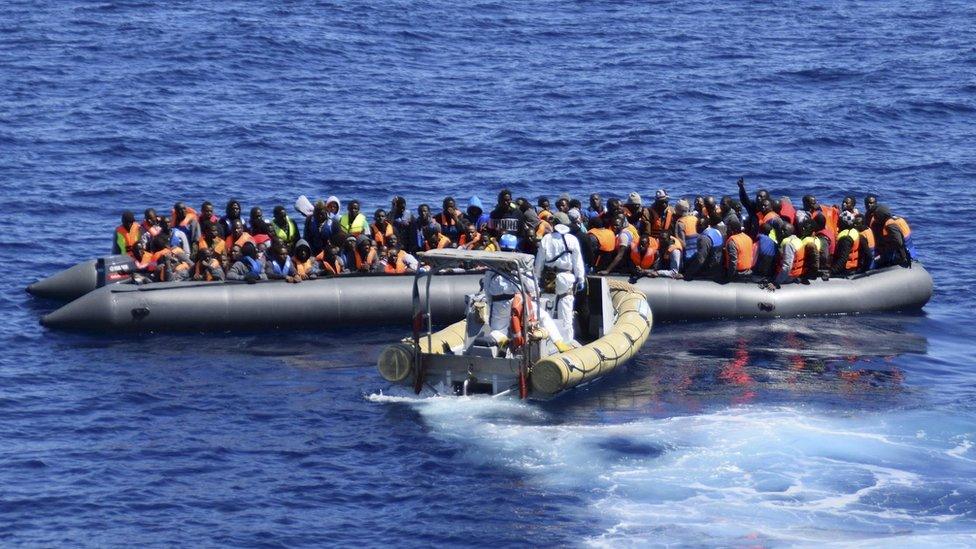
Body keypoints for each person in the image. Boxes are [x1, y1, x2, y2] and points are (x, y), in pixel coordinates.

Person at [533, 217, 585, 342]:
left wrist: (537, 277)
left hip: (549, 277)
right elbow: (578, 261)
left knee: (546, 310)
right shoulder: (572, 239)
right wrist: (581, 278)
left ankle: (545, 341)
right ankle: (567, 341)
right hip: (566, 277)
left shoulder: (546, 238)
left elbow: (539, 261)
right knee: (566, 310)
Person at [684, 214, 724, 280]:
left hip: (709, 270)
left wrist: (688, 273)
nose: (697, 227)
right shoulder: (716, 231)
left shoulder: (704, 238)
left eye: (699, 225)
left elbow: (700, 260)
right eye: (697, 225)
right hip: (718, 265)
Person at [831, 212, 863, 277]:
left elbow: (843, 258)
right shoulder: (854, 231)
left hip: (847, 269)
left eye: (839, 221)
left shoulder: (846, 238)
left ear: (843, 224)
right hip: (854, 266)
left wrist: (831, 272)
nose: (837, 223)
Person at [673, 199, 699, 265]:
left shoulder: (680, 223)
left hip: (688, 257)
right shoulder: (695, 219)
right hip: (698, 253)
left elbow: (682, 244)